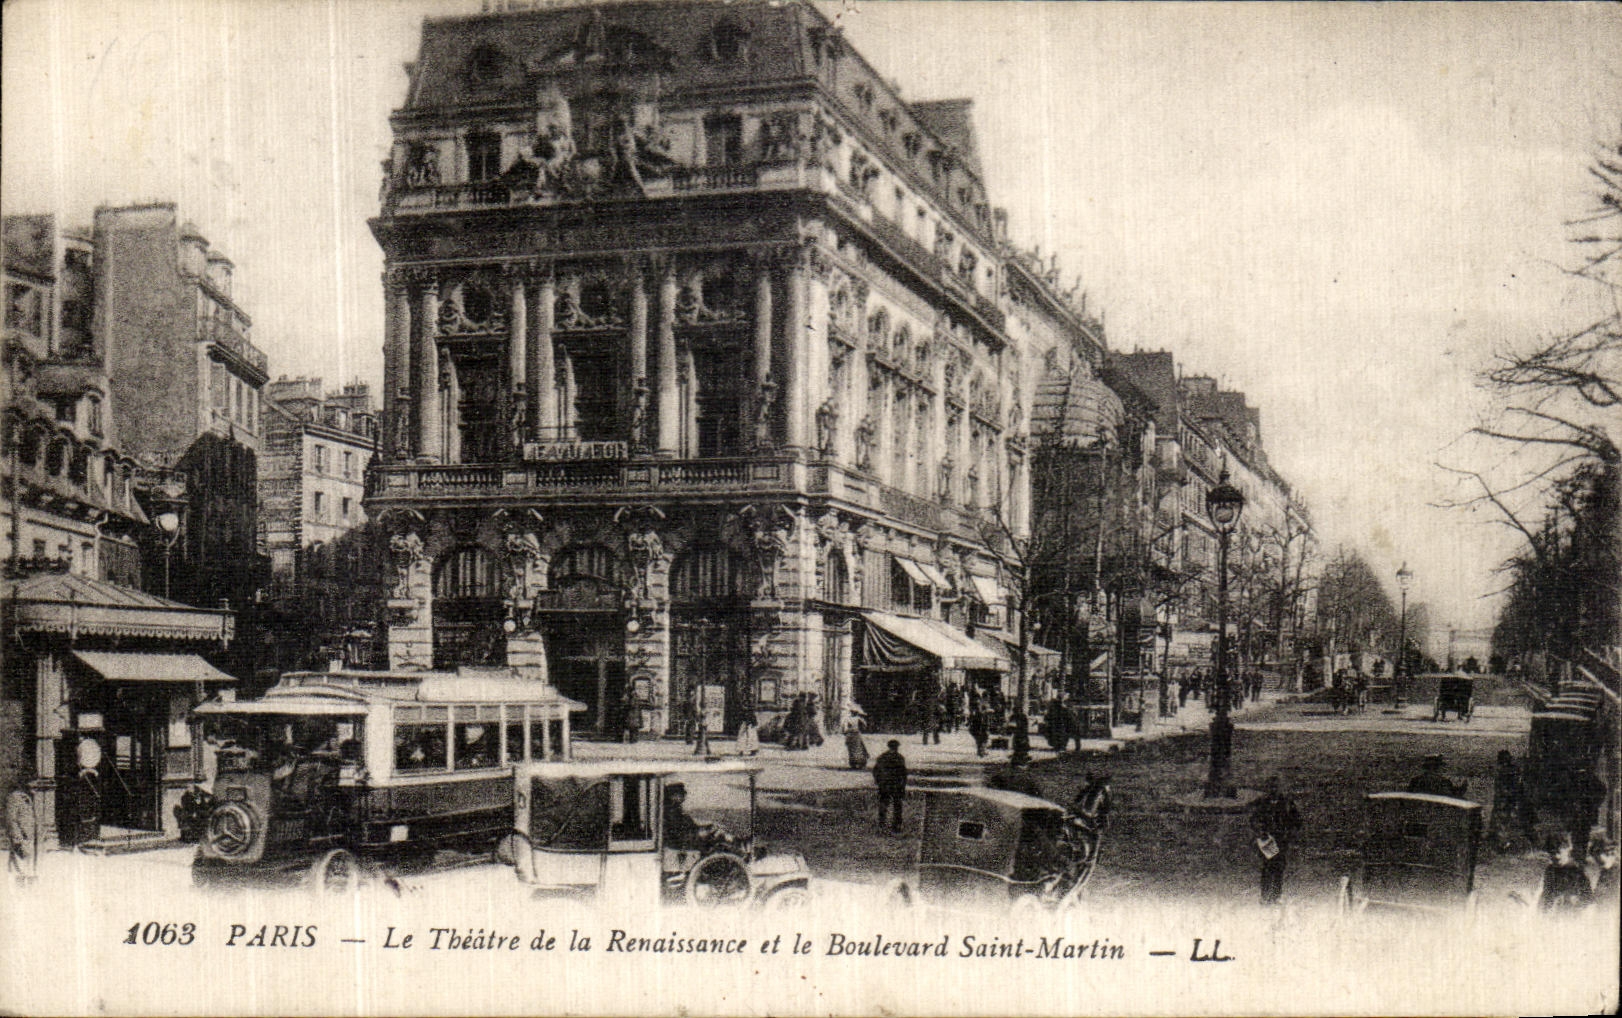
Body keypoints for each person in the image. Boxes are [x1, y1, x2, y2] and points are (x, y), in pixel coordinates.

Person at [1250, 776, 1303, 906]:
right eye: (1271, 787)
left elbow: (1297, 821)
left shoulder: (1286, 804)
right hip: (1267, 839)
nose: (1273, 790)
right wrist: (1261, 833)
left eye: (1275, 787)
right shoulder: (1262, 803)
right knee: (1268, 867)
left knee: (1278, 868)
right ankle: (1266, 896)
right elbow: (1254, 820)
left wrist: (1289, 832)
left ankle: (1275, 895)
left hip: (1281, 840)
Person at [1538, 832, 1593, 913]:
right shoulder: (1550, 870)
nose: (1556, 856)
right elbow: (1546, 895)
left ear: (1568, 849)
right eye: (1552, 853)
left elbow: (1588, 902)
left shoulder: (1578, 872)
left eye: (1559, 852)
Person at [873, 739, 908, 833]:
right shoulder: (900, 757)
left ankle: (881, 824)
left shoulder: (882, 757)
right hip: (896, 784)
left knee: (883, 803)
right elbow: (903, 773)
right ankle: (897, 824)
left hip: (884, 784)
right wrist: (903, 785)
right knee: (897, 804)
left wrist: (878, 781)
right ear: (897, 747)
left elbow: (876, 770)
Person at [6, 783, 38, 886]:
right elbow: (11, 820)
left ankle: (29, 887)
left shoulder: (28, 798)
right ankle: (19, 890)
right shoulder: (15, 798)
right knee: (19, 867)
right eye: (33, 785)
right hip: (21, 838)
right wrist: (17, 837)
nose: (35, 788)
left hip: (29, 837)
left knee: (29, 867)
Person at [1488, 750, 1521, 850]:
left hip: (1503, 799)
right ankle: (1499, 840)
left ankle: (1501, 842)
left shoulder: (1502, 771)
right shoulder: (1512, 771)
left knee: (1501, 819)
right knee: (1502, 819)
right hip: (1506, 798)